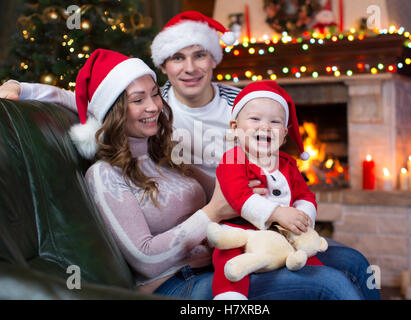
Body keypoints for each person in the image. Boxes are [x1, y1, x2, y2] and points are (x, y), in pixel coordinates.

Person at [0, 11, 380, 300]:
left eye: (153, 94)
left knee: (354, 265)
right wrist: (214, 213)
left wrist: (264, 194)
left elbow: (228, 189)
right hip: (176, 285)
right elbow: (146, 259)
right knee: (330, 286)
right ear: (114, 109)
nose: (154, 105)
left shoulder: (166, 154)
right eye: (138, 99)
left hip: (228, 252)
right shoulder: (106, 175)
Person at [211, 80, 324, 300]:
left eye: (275, 122)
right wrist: (277, 213)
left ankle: (317, 276)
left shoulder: (287, 163)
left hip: (282, 233)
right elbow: (238, 196)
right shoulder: (233, 159)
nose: (265, 127)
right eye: (255, 119)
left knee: (312, 260)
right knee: (227, 256)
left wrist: (302, 217)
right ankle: (230, 296)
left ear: (283, 134)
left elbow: (304, 194)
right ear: (235, 128)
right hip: (241, 230)